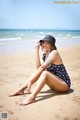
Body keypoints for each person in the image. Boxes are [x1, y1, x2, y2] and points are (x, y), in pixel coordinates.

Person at [9, 35, 71, 105]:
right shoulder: (44, 56)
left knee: (45, 73)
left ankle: (32, 97)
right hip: (55, 86)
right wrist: (37, 50)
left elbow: (42, 68)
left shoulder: (54, 53)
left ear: (52, 45)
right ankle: (21, 89)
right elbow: (38, 68)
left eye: (47, 43)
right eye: (43, 43)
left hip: (64, 85)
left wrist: (30, 81)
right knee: (42, 72)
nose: (44, 45)